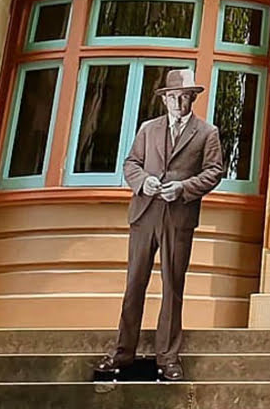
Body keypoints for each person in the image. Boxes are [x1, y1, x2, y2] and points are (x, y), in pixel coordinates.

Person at [95, 68, 224, 381]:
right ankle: (122, 353)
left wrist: (183, 187)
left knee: (172, 286)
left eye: (185, 96)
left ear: (193, 98)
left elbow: (214, 172)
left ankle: (168, 358)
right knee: (134, 284)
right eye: (173, 96)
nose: (179, 102)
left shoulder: (207, 132)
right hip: (144, 213)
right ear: (164, 98)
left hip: (179, 217)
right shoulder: (148, 129)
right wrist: (143, 183)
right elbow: (131, 163)